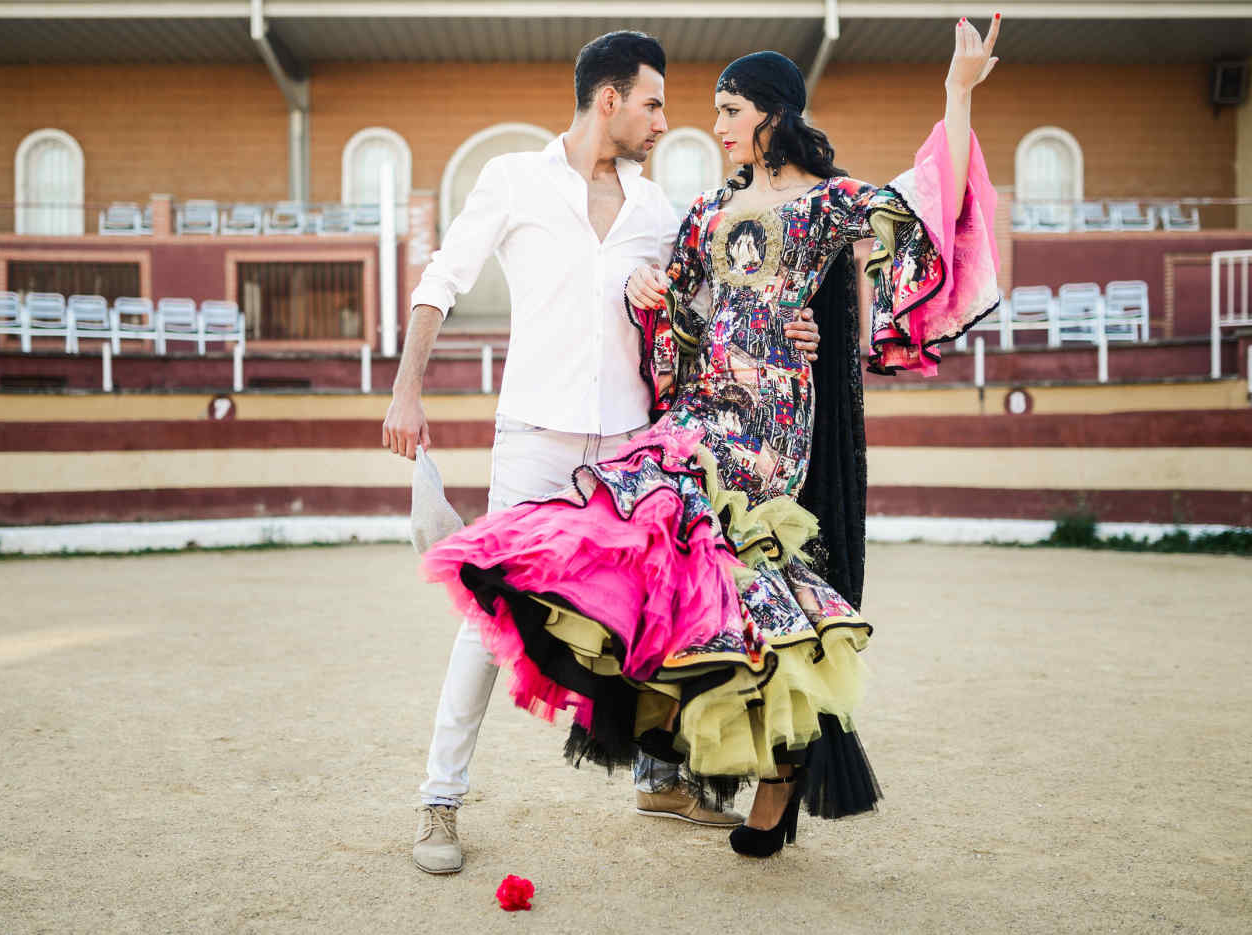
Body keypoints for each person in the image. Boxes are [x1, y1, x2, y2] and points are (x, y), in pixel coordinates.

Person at [423, 18, 1003, 857]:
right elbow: (676, 315)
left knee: (738, 583)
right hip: (696, 411)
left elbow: (926, 204)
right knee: (651, 541)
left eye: (729, 110)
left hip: (771, 426)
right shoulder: (706, 208)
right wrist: (651, 292)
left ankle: (762, 770)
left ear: (770, 114)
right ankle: (688, 748)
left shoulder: (825, 205)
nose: (714, 125)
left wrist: (956, 92)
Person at [384, 31, 824, 875]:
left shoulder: (656, 210)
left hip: (630, 447)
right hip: (533, 441)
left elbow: (713, 300)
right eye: (654, 103)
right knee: (488, 620)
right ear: (609, 99)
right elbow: (442, 277)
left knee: (655, 619)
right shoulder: (514, 178)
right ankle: (439, 800)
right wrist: (408, 388)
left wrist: (801, 325)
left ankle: (661, 779)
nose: (666, 121)